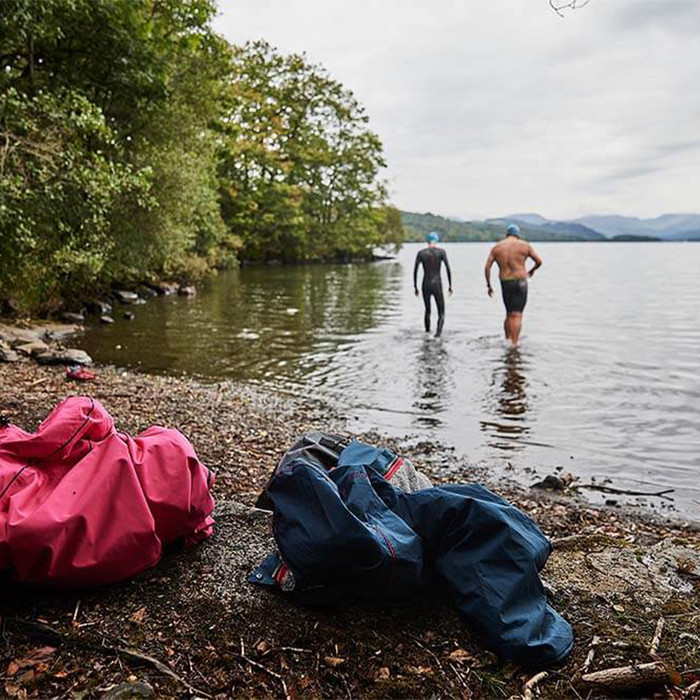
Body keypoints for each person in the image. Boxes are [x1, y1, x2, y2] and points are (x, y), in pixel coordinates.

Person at [484, 223, 542, 346]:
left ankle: (507, 340)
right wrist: (531, 271)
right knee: (517, 314)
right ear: (518, 235)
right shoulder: (524, 246)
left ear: (507, 234)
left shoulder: (497, 247)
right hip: (520, 281)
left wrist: (489, 285)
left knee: (509, 313)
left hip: (505, 282)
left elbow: (487, 267)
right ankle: (514, 345)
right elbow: (539, 261)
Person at [414, 232, 453, 337]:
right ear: (437, 241)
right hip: (437, 284)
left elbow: (415, 270)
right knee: (441, 313)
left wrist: (415, 287)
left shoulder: (421, 253)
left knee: (427, 310)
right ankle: (438, 335)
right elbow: (448, 269)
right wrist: (450, 285)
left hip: (425, 284)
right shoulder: (441, 252)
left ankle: (427, 333)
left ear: (427, 241)